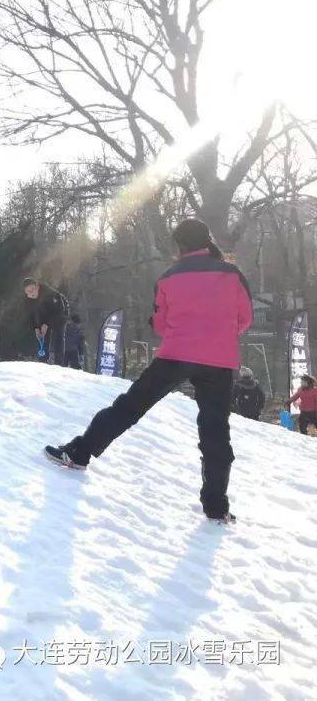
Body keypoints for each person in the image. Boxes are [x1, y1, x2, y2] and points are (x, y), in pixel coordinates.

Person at [44, 218, 253, 524]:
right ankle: (216, 506)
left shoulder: (169, 277)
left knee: (130, 406)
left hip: (176, 354)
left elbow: (161, 324)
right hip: (218, 361)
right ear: (208, 241)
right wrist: (218, 333)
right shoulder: (232, 274)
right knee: (215, 432)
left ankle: (80, 453)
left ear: (179, 246)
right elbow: (245, 318)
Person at [23, 277, 69, 365]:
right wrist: (36, 328)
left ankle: (59, 363)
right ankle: (42, 360)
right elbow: (31, 316)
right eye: (28, 291)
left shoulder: (50, 293)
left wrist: (47, 324)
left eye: (33, 289)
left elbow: (59, 310)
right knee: (43, 336)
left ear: (37, 287)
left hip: (60, 311)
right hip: (43, 314)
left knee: (58, 335)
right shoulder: (27, 300)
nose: (31, 292)